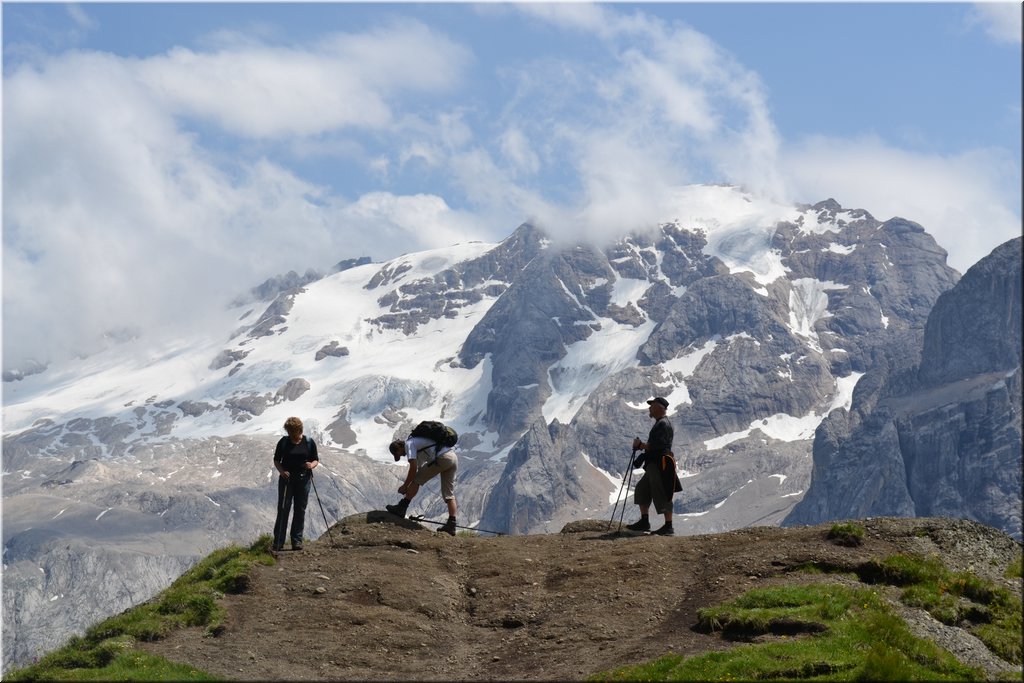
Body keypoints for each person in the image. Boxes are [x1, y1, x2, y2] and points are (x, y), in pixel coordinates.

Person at [385, 430, 459, 536]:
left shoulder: (409, 444)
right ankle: (452, 525)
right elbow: (419, 468)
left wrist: (405, 486)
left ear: (400, 448)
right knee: (449, 494)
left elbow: (413, 468)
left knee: (417, 479)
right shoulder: (417, 443)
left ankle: (401, 508)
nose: (402, 456)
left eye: (399, 454)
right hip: (453, 458)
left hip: (442, 458)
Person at [627, 396, 680, 536]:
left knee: (662, 492)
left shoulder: (663, 424)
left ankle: (668, 526)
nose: (649, 408)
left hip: (659, 464)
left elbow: (658, 445)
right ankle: (644, 522)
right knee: (642, 489)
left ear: (659, 407)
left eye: (652, 405)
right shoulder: (661, 423)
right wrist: (643, 447)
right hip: (654, 464)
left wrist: (641, 445)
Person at [272, 417, 319, 551]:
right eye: (289, 431)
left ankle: (296, 541)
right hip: (287, 480)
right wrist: (282, 471)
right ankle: (278, 542)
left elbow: (315, 459)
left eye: (293, 431)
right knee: (283, 509)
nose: (291, 434)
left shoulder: (308, 442)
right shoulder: (283, 442)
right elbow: (277, 460)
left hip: (303, 480)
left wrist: (311, 465)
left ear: (299, 430)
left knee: (300, 510)